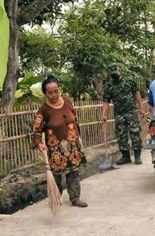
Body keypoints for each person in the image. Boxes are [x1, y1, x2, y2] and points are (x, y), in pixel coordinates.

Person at [30, 75, 88, 207]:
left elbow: (74, 119)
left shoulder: (67, 101)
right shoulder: (44, 109)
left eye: (56, 91)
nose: (54, 94)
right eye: (50, 92)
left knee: (73, 172)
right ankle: (57, 197)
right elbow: (36, 128)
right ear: (45, 94)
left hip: (72, 144)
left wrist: (78, 138)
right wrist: (39, 143)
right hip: (55, 148)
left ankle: (75, 198)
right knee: (56, 175)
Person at [101, 63, 145, 165]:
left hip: (131, 111)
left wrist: (141, 108)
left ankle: (137, 156)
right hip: (119, 114)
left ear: (120, 71)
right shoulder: (109, 86)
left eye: (115, 72)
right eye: (112, 73)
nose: (114, 75)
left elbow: (136, 94)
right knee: (121, 135)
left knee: (135, 133)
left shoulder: (129, 81)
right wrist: (104, 113)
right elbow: (106, 101)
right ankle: (125, 157)